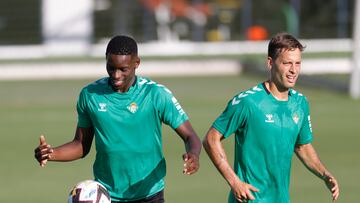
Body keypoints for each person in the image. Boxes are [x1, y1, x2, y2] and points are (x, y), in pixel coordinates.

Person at [34, 35, 201, 203]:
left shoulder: (156, 94)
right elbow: (81, 145)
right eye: (111, 67)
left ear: (136, 63)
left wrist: (193, 154)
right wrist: (52, 153)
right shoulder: (90, 95)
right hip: (107, 194)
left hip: (149, 193)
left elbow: (190, 136)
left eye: (123, 69)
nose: (115, 74)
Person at [202, 32, 340, 203]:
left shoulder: (300, 102)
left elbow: (302, 146)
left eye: (297, 63)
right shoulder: (248, 102)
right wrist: (234, 182)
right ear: (270, 63)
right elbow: (211, 139)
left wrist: (325, 174)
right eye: (287, 63)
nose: (293, 70)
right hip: (250, 199)